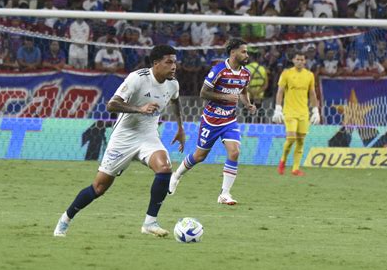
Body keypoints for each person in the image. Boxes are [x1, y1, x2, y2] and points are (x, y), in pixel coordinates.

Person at [53, 45, 185, 237]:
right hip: (124, 137)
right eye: (169, 62)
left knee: (164, 168)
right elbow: (111, 105)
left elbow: (175, 100)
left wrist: (180, 128)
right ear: (156, 64)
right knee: (99, 187)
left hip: (148, 136)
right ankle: (65, 219)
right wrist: (140, 109)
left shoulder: (173, 84)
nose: (174, 66)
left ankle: (150, 222)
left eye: (175, 61)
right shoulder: (137, 78)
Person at [169, 38, 256, 205]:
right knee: (200, 155)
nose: (247, 55)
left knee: (235, 152)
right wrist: (225, 96)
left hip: (229, 120)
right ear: (233, 52)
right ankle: (177, 175)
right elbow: (203, 93)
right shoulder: (219, 70)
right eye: (244, 51)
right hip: (211, 120)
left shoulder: (245, 73)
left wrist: (248, 104)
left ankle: (224, 194)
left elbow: (243, 91)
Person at [272, 51, 320, 176]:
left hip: (304, 112)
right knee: (291, 138)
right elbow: (280, 91)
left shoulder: (309, 75)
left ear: (305, 61)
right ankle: (283, 161)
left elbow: (312, 93)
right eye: (297, 59)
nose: (300, 61)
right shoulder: (286, 73)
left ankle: (295, 169)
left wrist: (316, 111)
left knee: (300, 141)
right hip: (289, 111)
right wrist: (278, 108)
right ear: (293, 60)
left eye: (302, 59)